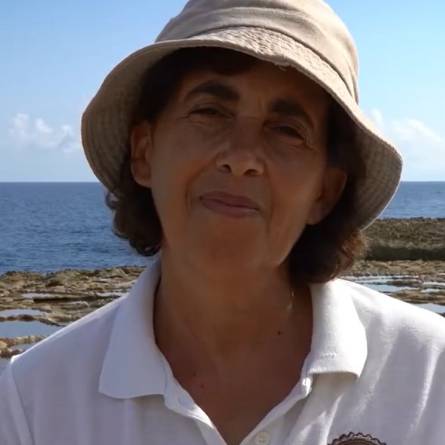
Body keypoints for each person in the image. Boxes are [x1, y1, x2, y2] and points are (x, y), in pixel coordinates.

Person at [1, 1, 444, 444]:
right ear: (144, 153)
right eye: (210, 112)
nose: (242, 157)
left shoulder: (430, 374)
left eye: (287, 130)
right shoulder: (34, 399)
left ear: (325, 191)